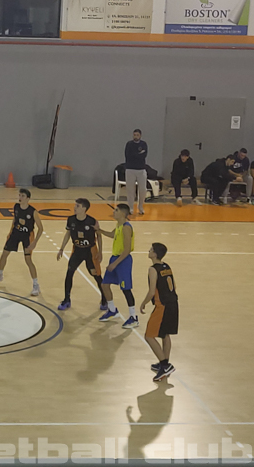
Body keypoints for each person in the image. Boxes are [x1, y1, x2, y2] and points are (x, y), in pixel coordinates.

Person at [0, 189, 44, 296]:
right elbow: (14, 220)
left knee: (28, 260)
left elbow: (41, 228)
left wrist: (35, 242)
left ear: (28, 198)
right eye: (19, 195)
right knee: (4, 254)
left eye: (22, 196)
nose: (20, 197)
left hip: (27, 236)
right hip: (15, 233)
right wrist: (10, 232)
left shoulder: (33, 212)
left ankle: (36, 285)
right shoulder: (16, 207)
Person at [56, 198, 106, 311]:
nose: (75, 207)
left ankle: (104, 299)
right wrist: (61, 248)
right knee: (69, 273)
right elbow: (68, 233)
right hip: (77, 251)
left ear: (84, 209)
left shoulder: (92, 221)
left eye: (77, 206)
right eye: (75, 205)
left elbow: (99, 236)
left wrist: (100, 252)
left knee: (96, 275)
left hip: (90, 252)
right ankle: (66, 300)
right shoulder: (71, 220)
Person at [139, 243, 178, 382]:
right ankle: (164, 362)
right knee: (165, 334)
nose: (148, 251)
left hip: (162, 306)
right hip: (173, 303)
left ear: (155, 254)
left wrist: (143, 303)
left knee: (149, 336)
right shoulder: (166, 266)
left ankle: (164, 365)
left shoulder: (152, 269)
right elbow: (174, 286)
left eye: (151, 249)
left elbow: (151, 292)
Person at [97, 203, 138, 328]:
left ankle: (133, 317)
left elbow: (127, 250)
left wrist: (115, 264)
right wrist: (99, 230)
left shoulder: (126, 227)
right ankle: (112, 310)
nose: (113, 212)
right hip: (115, 258)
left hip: (123, 260)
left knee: (126, 289)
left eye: (116, 210)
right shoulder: (119, 225)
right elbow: (112, 234)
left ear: (123, 214)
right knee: (104, 284)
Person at [124, 129, 148, 215]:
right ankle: (131, 207)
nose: (136, 136)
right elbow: (128, 155)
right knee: (130, 190)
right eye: (134, 135)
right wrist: (138, 154)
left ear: (140, 135)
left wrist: (136, 155)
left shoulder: (143, 144)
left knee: (143, 189)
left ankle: (140, 206)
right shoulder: (129, 144)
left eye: (137, 135)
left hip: (141, 170)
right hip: (130, 169)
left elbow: (144, 155)